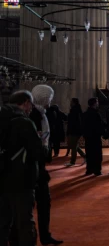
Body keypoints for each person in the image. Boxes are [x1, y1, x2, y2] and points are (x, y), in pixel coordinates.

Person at [0, 90, 42, 246]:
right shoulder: (24, 122)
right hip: (22, 180)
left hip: (2, 177)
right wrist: (41, 142)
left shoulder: (2, 119)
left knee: (3, 222)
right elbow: (38, 153)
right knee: (24, 222)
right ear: (26, 103)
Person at [29, 85, 63, 246]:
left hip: (39, 166)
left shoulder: (42, 114)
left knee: (44, 203)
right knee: (35, 204)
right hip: (32, 167)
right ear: (44, 99)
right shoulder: (34, 116)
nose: (51, 101)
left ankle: (45, 235)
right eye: (49, 98)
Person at [82, 98, 105, 176]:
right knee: (97, 154)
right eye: (97, 102)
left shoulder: (85, 114)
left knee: (89, 153)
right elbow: (100, 125)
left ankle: (89, 169)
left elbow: (83, 126)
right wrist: (103, 133)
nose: (98, 103)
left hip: (88, 137)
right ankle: (97, 170)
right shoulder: (96, 114)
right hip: (96, 137)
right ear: (95, 103)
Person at [65, 98, 86, 166]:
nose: (70, 103)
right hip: (77, 131)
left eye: (71, 102)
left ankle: (72, 161)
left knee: (73, 146)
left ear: (74, 103)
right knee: (74, 145)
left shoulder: (74, 111)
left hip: (74, 131)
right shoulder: (78, 110)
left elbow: (72, 123)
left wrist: (69, 131)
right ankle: (84, 156)